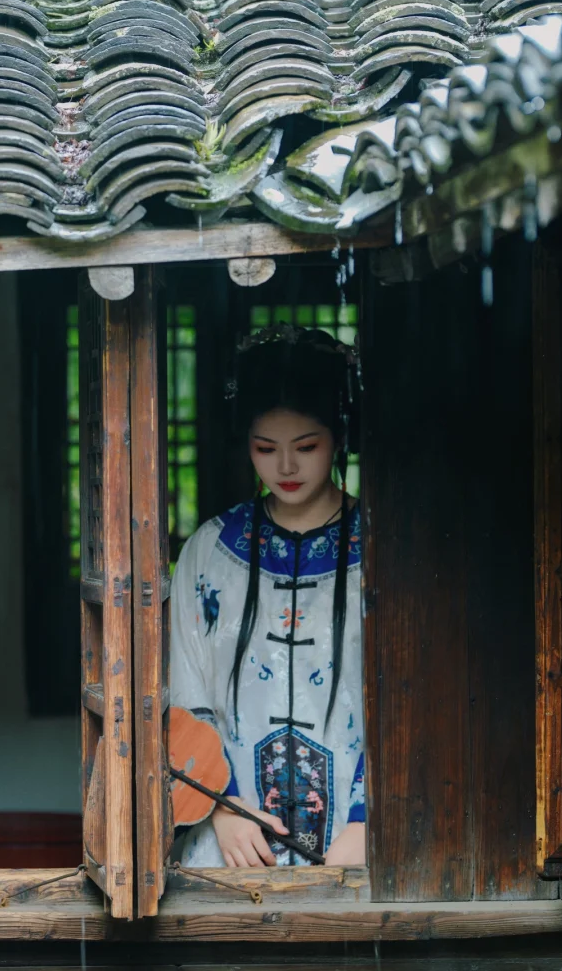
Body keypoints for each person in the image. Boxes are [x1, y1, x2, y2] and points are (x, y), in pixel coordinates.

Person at [170, 325, 365, 868]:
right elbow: (185, 691)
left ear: (340, 437)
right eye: (265, 448)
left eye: (306, 446)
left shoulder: (383, 553)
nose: (285, 468)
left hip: (361, 842)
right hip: (232, 841)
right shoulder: (211, 551)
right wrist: (222, 806)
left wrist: (368, 820)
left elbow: (409, 694)